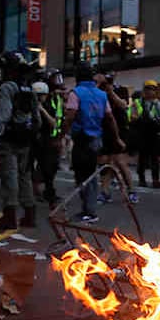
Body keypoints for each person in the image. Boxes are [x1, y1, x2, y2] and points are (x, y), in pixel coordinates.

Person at [63, 62, 120, 224]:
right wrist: (116, 138)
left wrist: (61, 134)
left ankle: (89, 211)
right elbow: (109, 117)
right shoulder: (101, 94)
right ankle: (89, 208)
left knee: (82, 176)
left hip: (82, 138)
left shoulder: (76, 93)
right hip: (96, 139)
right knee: (91, 174)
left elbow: (70, 115)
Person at [0, 50, 40, 229]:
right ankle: (29, 214)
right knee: (25, 176)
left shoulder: (7, 87)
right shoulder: (28, 87)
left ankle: (9, 217)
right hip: (25, 140)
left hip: (9, 140)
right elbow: (37, 117)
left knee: (9, 177)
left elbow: (1, 116)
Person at [97, 75, 136, 205]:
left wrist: (111, 92)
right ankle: (104, 191)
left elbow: (123, 105)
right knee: (106, 162)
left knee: (120, 161)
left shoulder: (121, 90)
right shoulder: (99, 91)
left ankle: (131, 191)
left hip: (120, 130)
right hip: (105, 130)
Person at [33, 70, 66, 207]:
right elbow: (50, 120)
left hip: (54, 136)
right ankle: (47, 193)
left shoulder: (56, 98)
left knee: (52, 167)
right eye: (55, 78)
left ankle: (43, 190)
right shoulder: (42, 100)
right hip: (43, 137)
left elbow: (60, 117)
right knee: (46, 167)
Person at [135, 80, 160, 189]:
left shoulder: (157, 103)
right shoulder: (139, 102)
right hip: (143, 133)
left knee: (155, 158)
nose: (149, 91)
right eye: (147, 89)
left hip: (154, 134)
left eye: (152, 89)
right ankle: (141, 179)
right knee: (142, 158)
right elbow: (133, 115)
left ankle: (155, 180)